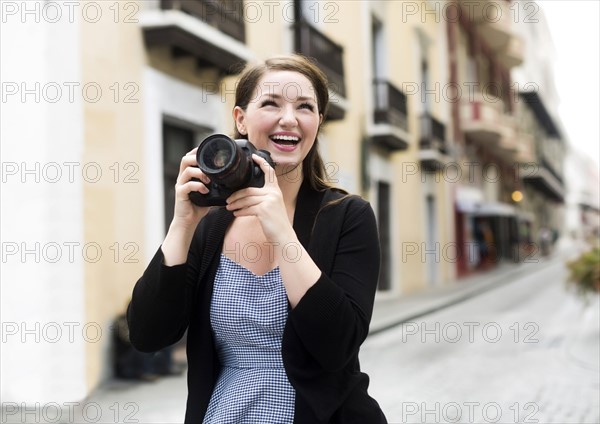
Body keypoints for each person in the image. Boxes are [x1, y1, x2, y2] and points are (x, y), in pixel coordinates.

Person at [127, 54, 387, 423]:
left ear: (318, 123)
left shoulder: (348, 216)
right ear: (240, 120)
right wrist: (182, 224)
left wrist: (281, 231)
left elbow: (338, 346)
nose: (289, 119)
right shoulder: (211, 225)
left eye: (305, 107)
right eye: (271, 103)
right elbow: (147, 335)